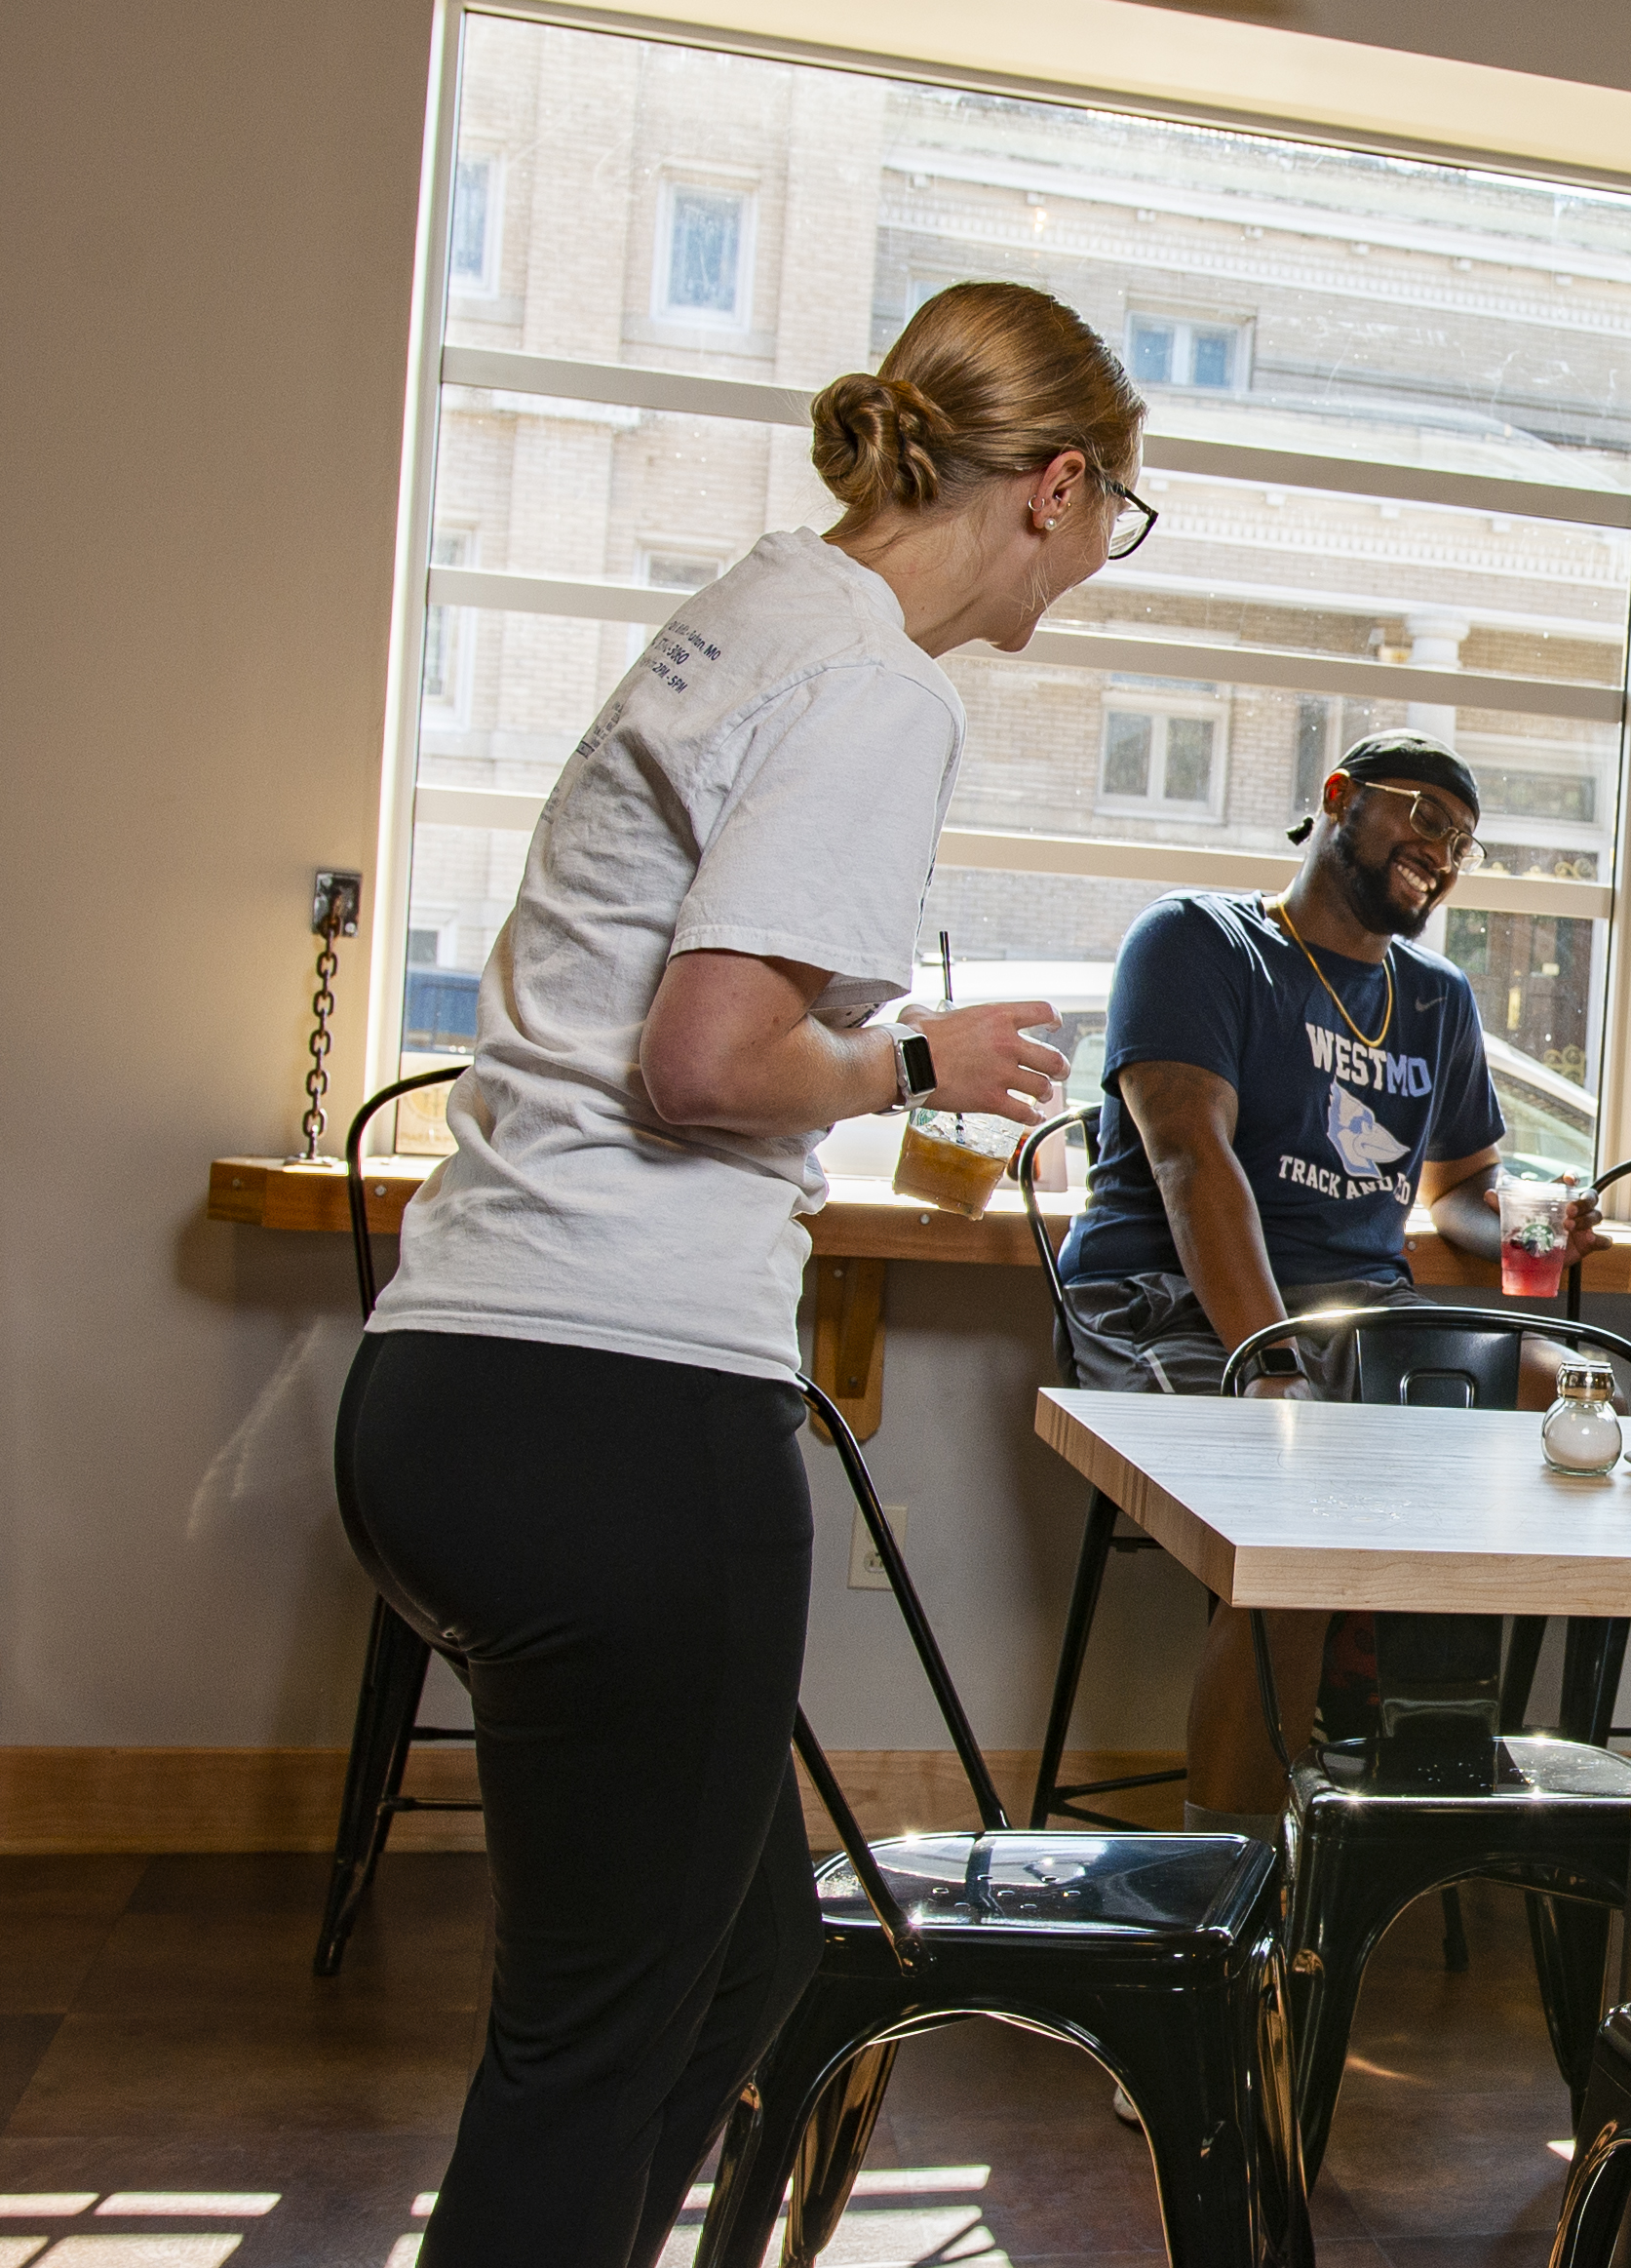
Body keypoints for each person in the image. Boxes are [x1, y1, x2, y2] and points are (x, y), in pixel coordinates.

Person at [338, 283, 1142, 2267]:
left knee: (743, 1954)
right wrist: (913, 1063)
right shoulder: (878, 684)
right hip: (619, 1399)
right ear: (1052, 488)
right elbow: (706, 1061)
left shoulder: (751, 611)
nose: (1095, 561)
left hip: (456, 1381)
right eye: (1113, 517)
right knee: (595, 2036)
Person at [1055, 730, 1602, 1839]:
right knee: (1296, 1513)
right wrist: (1271, 1370)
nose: (1441, 853)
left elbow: (1457, 1193)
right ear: (1337, 798)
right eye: (1423, 818)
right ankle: (1228, 1892)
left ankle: (1435, 1774)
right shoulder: (1198, 940)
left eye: (1463, 841)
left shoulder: (1437, 1000)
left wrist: (1527, 1224)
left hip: (1359, 1313)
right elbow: (1187, 1163)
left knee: (1582, 1394)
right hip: (1165, 1296)